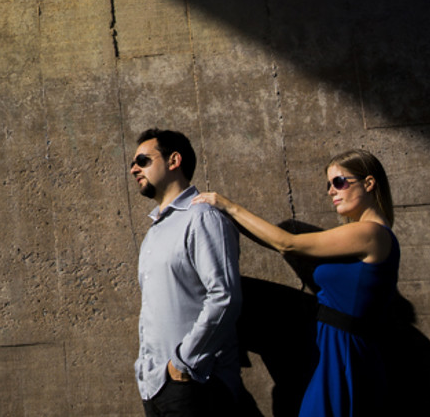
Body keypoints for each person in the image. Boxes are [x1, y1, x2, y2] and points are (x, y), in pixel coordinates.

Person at [192, 149, 399, 417]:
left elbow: (287, 244)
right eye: (329, 184)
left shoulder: (370, 233)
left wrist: (228, 206)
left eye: (339, 182)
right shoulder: (363, 233)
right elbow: (283, 244)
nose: (331, 191)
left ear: (368, 183)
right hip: (330, 345)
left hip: (344, 351)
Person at [132, 128, 243, 417]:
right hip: (157, 384)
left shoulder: (202, 218)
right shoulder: (155, 231)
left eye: (142, 161)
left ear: (174, 160)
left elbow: (225, 297)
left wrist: (182, 363)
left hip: (196, 382)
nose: (133, 169)